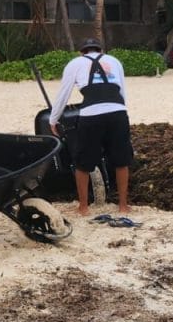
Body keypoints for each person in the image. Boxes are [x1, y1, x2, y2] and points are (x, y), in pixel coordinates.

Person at [49, 38, 133, 215]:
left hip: (90, 115)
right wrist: (121, 113)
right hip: (118, 112)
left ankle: (84, 207)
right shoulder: (114, 61)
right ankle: (123, 206)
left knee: (83, 162)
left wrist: (53, 119)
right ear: (101, 50)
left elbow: (63, 94)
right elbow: (121, 91)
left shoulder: (75, 63)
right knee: (121, 160)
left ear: (82, 51)